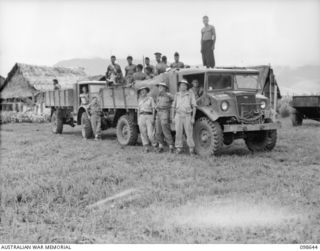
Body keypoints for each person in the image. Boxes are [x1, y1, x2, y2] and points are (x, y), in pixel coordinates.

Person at [172, 79, 197, 155]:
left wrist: (193, 118)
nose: (183, 86)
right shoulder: (177, 95)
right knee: (178, 133)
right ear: (179, 86)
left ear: (187, 87)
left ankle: (191, 149)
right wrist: (172, 117)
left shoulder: (190, 94)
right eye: (182, 85)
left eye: (185, 85)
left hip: (187, 116)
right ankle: (179, 148)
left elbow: (194, 106)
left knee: (189, 133)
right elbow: (173, 106)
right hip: (178, 116)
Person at [155, 82, 174, 153]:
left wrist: (170, 108)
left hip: (165, 112)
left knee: (165, 130)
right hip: (158, 113)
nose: (159, 88)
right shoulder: (158, 96)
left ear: (165, 88)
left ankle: (171, 146)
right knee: (158, 131)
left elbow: (174, 101)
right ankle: (160, 146)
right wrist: (156, 106)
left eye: (161, 87)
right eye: (159, 87)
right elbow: (157, 103)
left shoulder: (169, 95)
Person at [137, 86, 157, 152]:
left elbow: (153, 108)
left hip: (149, 116)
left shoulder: (150, 99)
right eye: (141, 91)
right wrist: (138, 119)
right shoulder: (139, 100)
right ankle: (146, 147)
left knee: (150, 134)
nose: (143, 92)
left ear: (146, 92)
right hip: (141, 117)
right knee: (143, 133)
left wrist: (153, 118)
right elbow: (138, 110)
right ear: (140, 93)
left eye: (144, 91)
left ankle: (155, 146)